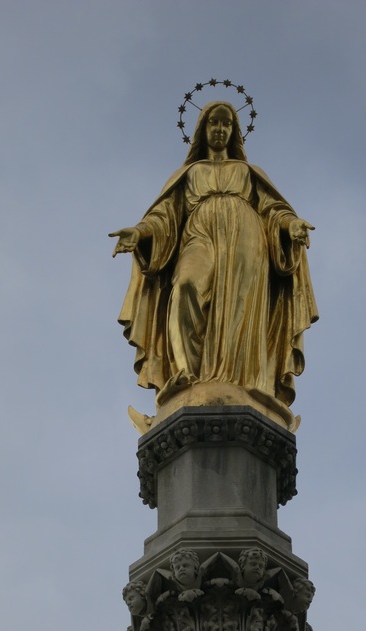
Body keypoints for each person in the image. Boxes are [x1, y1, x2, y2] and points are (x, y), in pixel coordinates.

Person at [109, 101, 318, 427]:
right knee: (187, 286)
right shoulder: (190, 174)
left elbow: (274, 211)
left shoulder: (248, 173)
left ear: (234, 132)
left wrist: (291, 226)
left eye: (226, 124)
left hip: (246, 243)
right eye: (213, 124)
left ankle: (240, 380)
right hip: (199, 233)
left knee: (239, 310)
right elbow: (164, 217)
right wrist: (139, 233)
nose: (219, 130)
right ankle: (186, 374)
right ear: (202, 131)